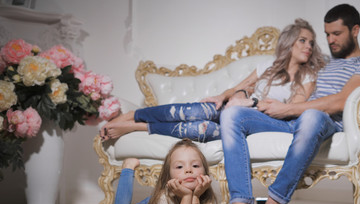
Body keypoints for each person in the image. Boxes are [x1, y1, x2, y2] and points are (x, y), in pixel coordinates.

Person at [218, 3, 360, 204]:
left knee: (311, 116)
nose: (330, 40)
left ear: (355, 30)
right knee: (232, 115)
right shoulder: (320, 61)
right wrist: (238, 94)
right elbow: (278, 68)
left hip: (323, 122)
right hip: (290, 121)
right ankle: (241, 201)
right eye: (327, 34)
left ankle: (273, 203)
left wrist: (287, 108)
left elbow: (342, 101)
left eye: (336, 34)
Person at [99, 18, 326, 143]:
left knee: (203, 129)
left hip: (252, 119)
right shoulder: (267, 66)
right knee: (195, 112)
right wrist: (223, 96)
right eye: (303, 40)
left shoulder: (307, 76)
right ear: (289, 42)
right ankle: (131, 115)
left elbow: (292, 109)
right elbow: (237, 89)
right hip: (235, 107)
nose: (308, 46)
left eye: (311, 43)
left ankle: (137, 127)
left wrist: (252, 104)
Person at [111, 139, 218, 204]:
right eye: (180, 167)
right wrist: (186, 196)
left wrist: (195, 197)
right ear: (169, 176)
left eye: (195, 165)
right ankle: (127, 169)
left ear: (205, 172)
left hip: (194, 197)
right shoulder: (163, 197)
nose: (189, 170)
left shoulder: (207, 198)